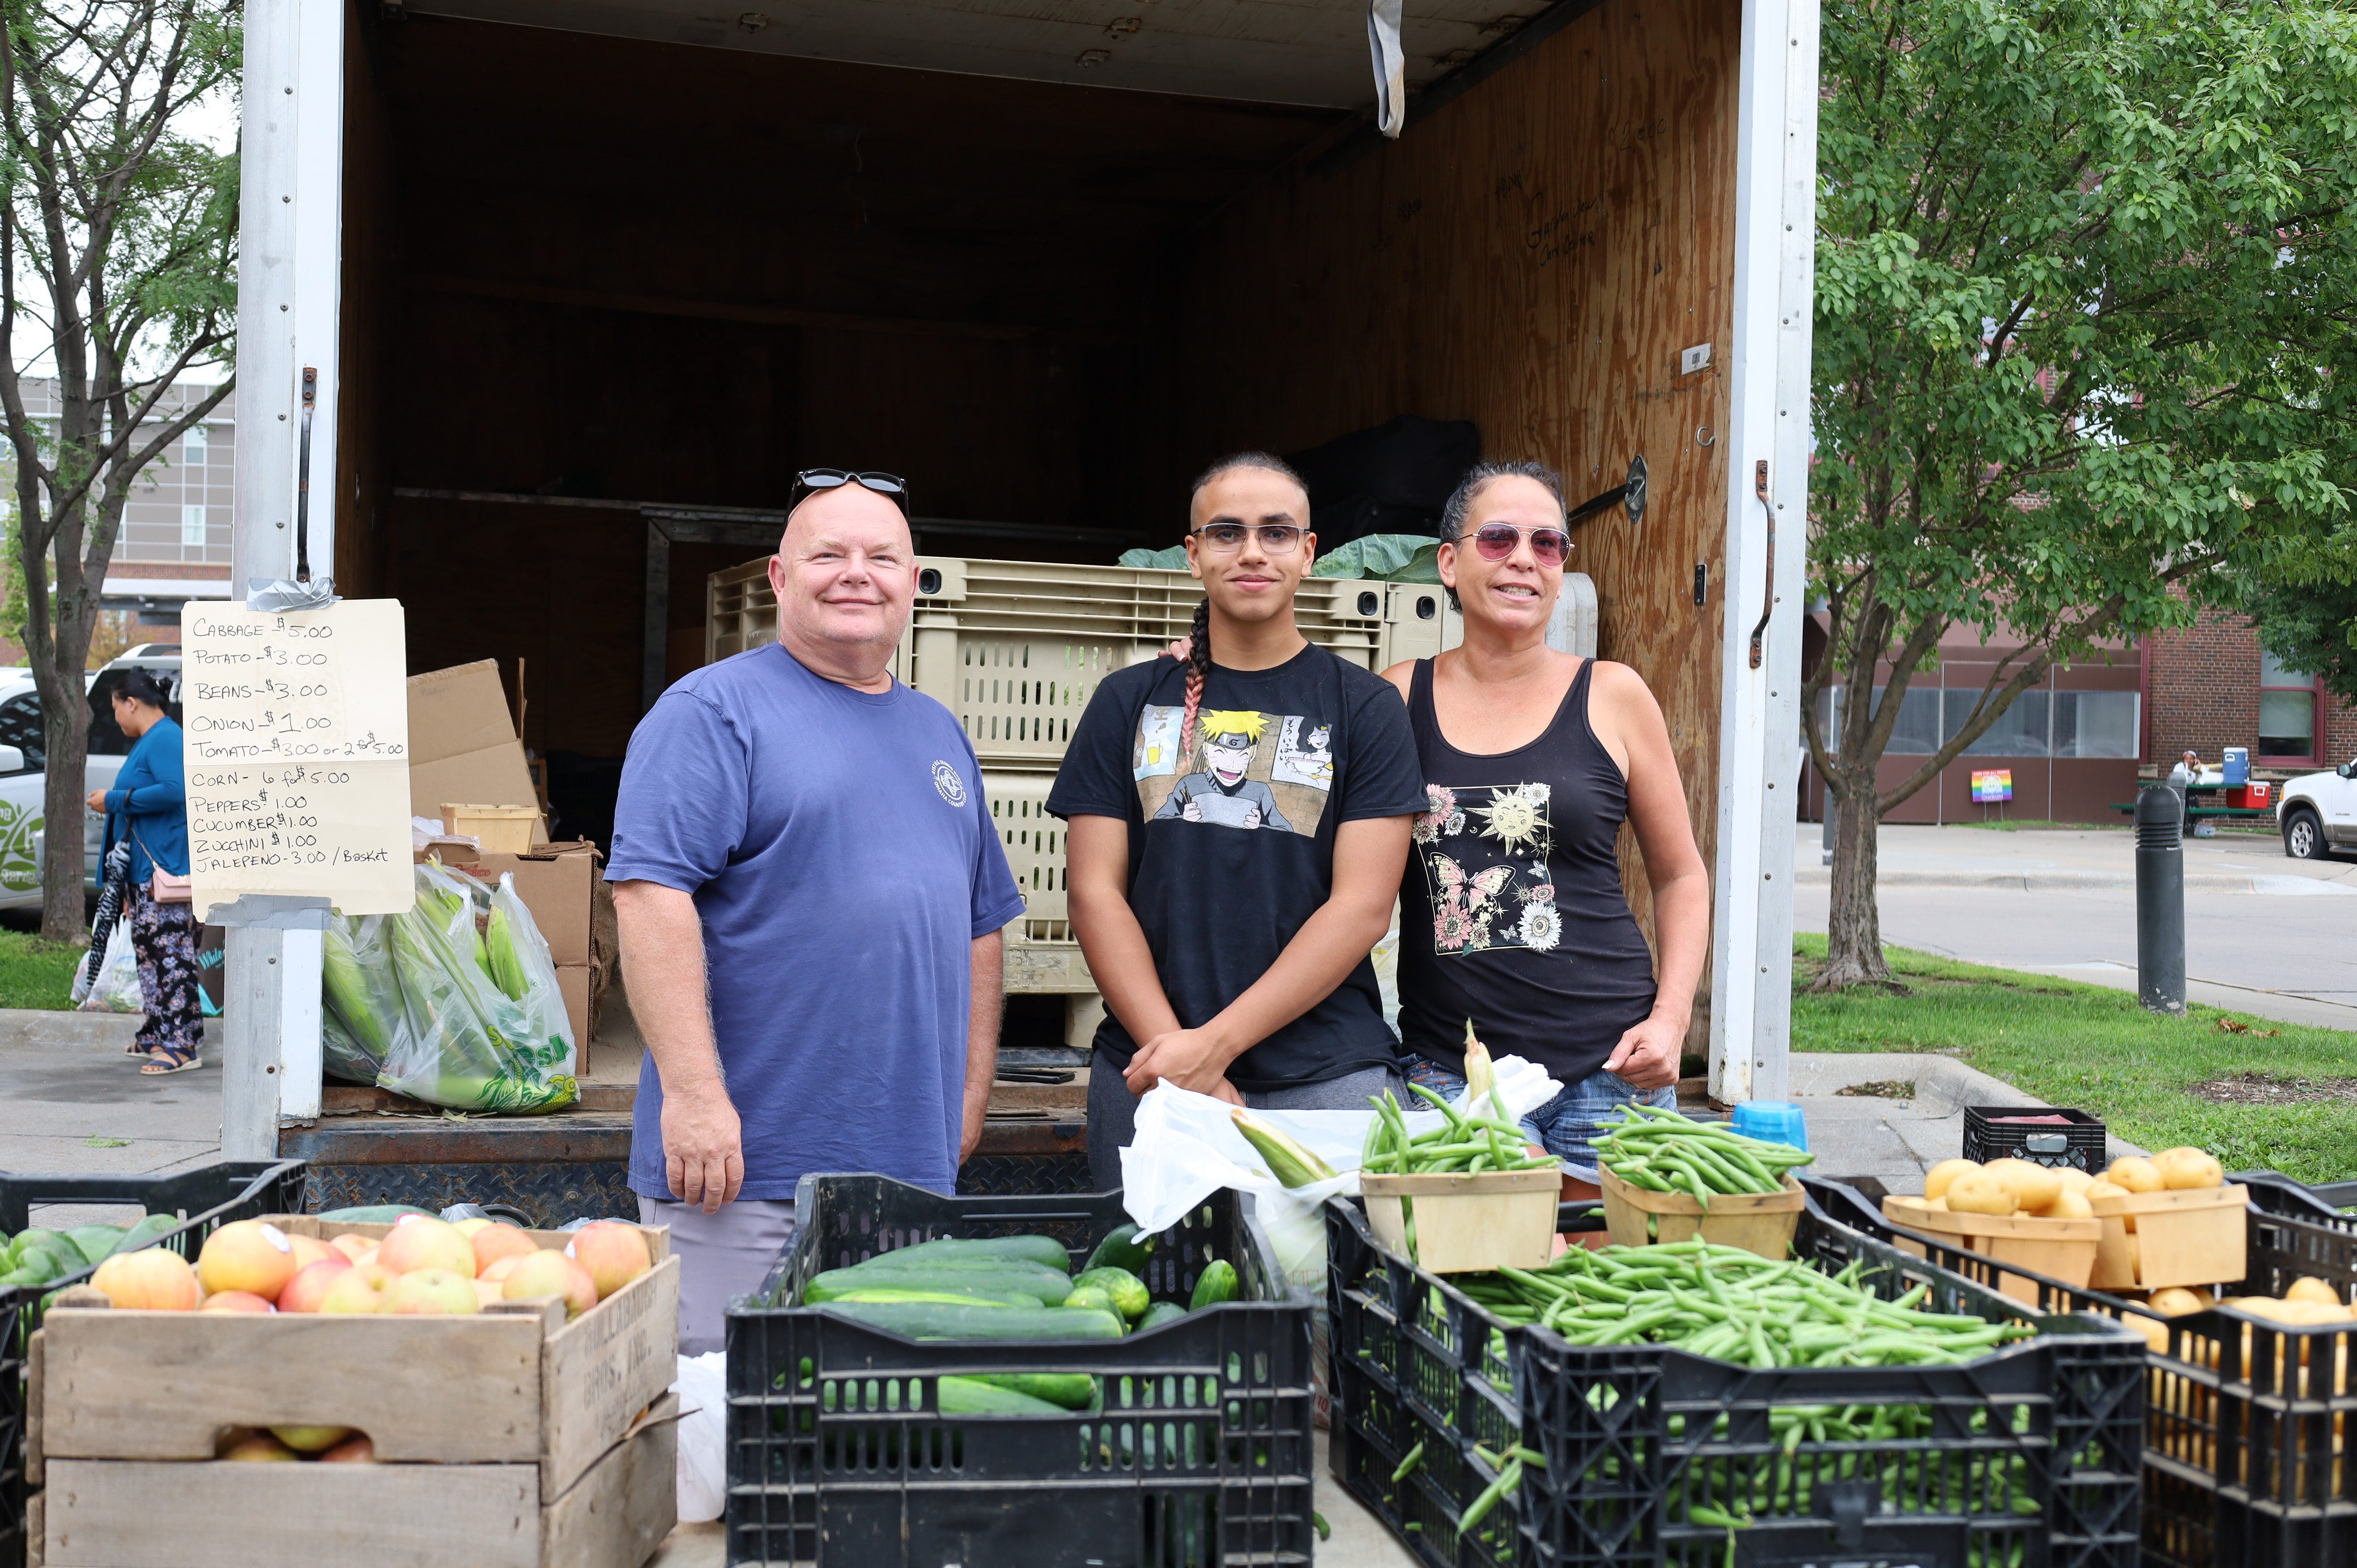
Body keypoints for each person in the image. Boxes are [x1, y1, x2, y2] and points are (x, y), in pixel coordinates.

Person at [606, 468, 1026, 1353]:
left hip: (905, 1179)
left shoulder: (939, 732)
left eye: (882, 556)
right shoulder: (712, 712)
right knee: (728, 1438)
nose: (855, 574)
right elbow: (649, 898)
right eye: (827, 554)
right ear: (778, 578)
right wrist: (693, 1096)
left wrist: (970, 1092)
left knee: (865, 1439)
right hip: (747, 1176)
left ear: (914, 583)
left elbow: (980, 922)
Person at [1050, 453, 1429, 1190]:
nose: (1252, 551)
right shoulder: (1127, 700)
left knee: (1330, 1299)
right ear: (1193, 556)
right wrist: (1176, 1054)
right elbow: (1094, 893)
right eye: (1226, 533)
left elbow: (1362, 908)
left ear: (1309, 553)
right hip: (1151, 1069)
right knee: (1148, 1299)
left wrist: (1213, 1047)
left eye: (1277, 533)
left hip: (1325, 1078)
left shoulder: (1365, 707)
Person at [1381, 461, 1709, 1195]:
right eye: (1497, 539)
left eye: (1548, 543)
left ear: (1562, 569)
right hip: (1458, 1067)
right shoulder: (1398, 699)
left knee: (1606, 1287)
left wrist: (1671, 1020)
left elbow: (1681, 874)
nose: (1523, 559)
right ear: (1449, 562)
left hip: (1613, 1065)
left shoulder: (1615, 695)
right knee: (1498, 1271)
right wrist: (1206, 670)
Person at [86, 671, 200, 1075]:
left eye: (116, 708)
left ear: (131, 702)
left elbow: (177, 789)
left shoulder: (166, 738)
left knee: (172, 956)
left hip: (166, 868)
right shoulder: (150, 741)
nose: (116, 718)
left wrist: (114, 799)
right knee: (150, 955)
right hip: (145, 873)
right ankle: (157, 1031)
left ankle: (183, 1044)